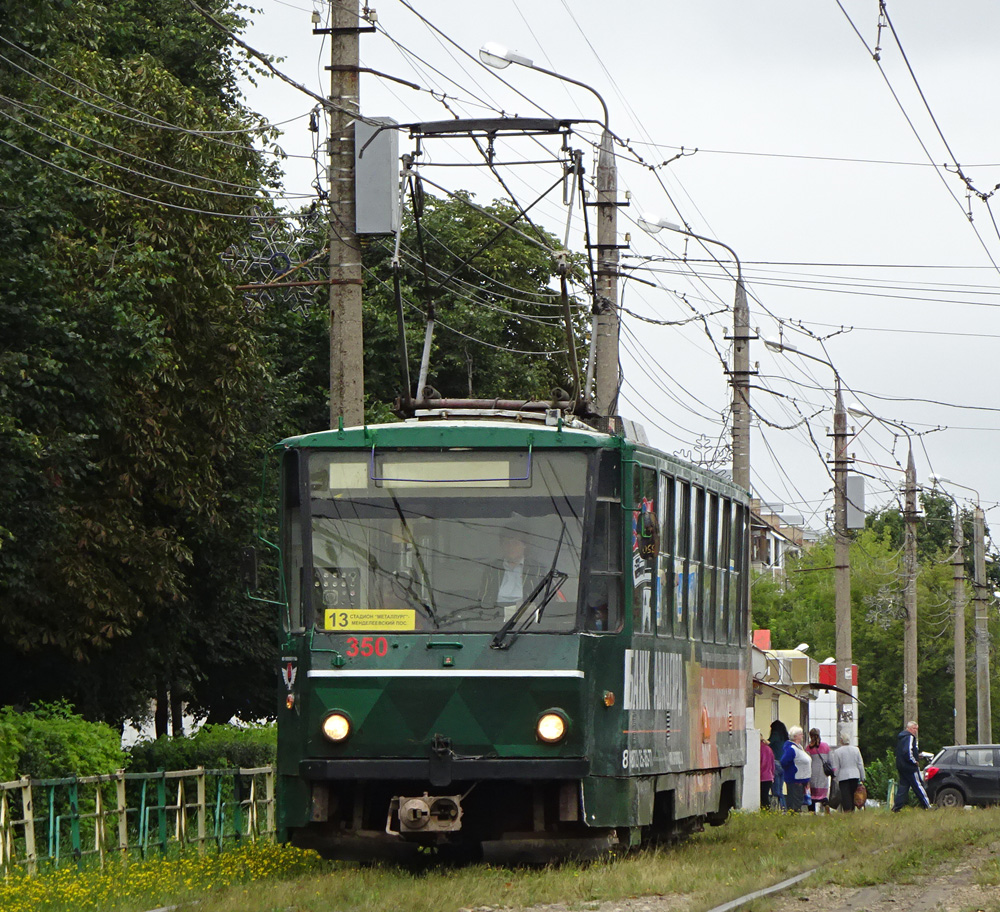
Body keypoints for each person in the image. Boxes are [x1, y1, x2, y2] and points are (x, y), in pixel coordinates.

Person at [478, 522, 543, 617]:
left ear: (524, 545)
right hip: (496, 616)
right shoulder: (492, 568)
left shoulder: (537, 569)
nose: (510, 547)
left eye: (515, 543)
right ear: (501, 545)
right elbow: (484, 599)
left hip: (526, 618)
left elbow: (542, 600)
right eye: (506, 543)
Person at [893, 720, 931, 811]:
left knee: (903, 787)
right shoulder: (910, 737)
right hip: (910, 767)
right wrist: (914, 762)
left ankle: (896, 807)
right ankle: (927, 805)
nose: (915, 731)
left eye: (916, 729)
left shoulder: (901, 737)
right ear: (909, 728)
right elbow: (907, 752)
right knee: (918, 785)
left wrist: (917, 755)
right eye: (914, 728)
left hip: (901, 766)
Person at [780, 725, 812, 812]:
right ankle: (793, 815)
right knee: (795, 802)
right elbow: (784, 761)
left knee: (798, 800)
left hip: (801, 779)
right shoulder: (792, 749)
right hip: (795, 779)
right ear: (795, 736)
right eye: (800, 734)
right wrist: (793, 770)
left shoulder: (799, 747)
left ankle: (795, 814)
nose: (802, 735)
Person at [832, 733, 865, 813]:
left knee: (845, 796)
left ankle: (847, 811)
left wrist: (835, 778)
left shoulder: (837, 752)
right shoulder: (856, 750)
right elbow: (860, 764)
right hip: (855, 775)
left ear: (841, 740)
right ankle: (852, 810)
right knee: (853, 794)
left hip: (843, 777)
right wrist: (862, 776)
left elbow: (836, 767)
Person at [806, 728, 833, 813]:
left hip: (812, 773)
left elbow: (807, 762)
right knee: (823, 795)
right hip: (823, 773)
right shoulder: (825, 746)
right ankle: (826, 805)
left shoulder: (808, 748)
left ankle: (812, 812)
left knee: (812, 795)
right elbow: (830, 760)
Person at [768, 720, 789, 810]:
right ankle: (783, 808)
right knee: (780, 789)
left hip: (775, 763)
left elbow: (768, 743)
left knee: (775, 790)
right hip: (783, 764)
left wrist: (761, 740)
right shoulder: (784, 737)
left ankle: (774, 808)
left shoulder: (775, 734)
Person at [760, 733, 775, 809]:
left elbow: (760, 764)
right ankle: (767, 811)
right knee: (765, 796)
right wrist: (772, 775)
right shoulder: (768, 749)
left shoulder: (758, 749)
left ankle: (765, 811)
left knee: (762, 798)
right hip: (768, 776)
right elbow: (772, 764)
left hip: (761, 777)